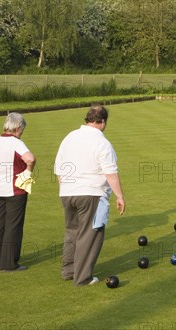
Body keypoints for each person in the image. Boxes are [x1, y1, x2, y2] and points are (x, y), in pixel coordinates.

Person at [54, 105, 126, 286]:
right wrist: (119, 196)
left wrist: (65, 189)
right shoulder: (103, 143)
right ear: (102, 122)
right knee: (91, 234)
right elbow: (110, 172)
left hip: (67, 192)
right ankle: (83, 277)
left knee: (72, 232)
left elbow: (58, 168)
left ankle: (69, 271)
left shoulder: (69, 137)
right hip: (91, 193)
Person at [0, 112, 36, 272]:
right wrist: (27, 172)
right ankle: (9, 264)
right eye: (22, 130)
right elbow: (30, 158)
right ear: (17, 128)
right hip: (15, 190)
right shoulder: (16, 143)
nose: (22, 133)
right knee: (13, 226)